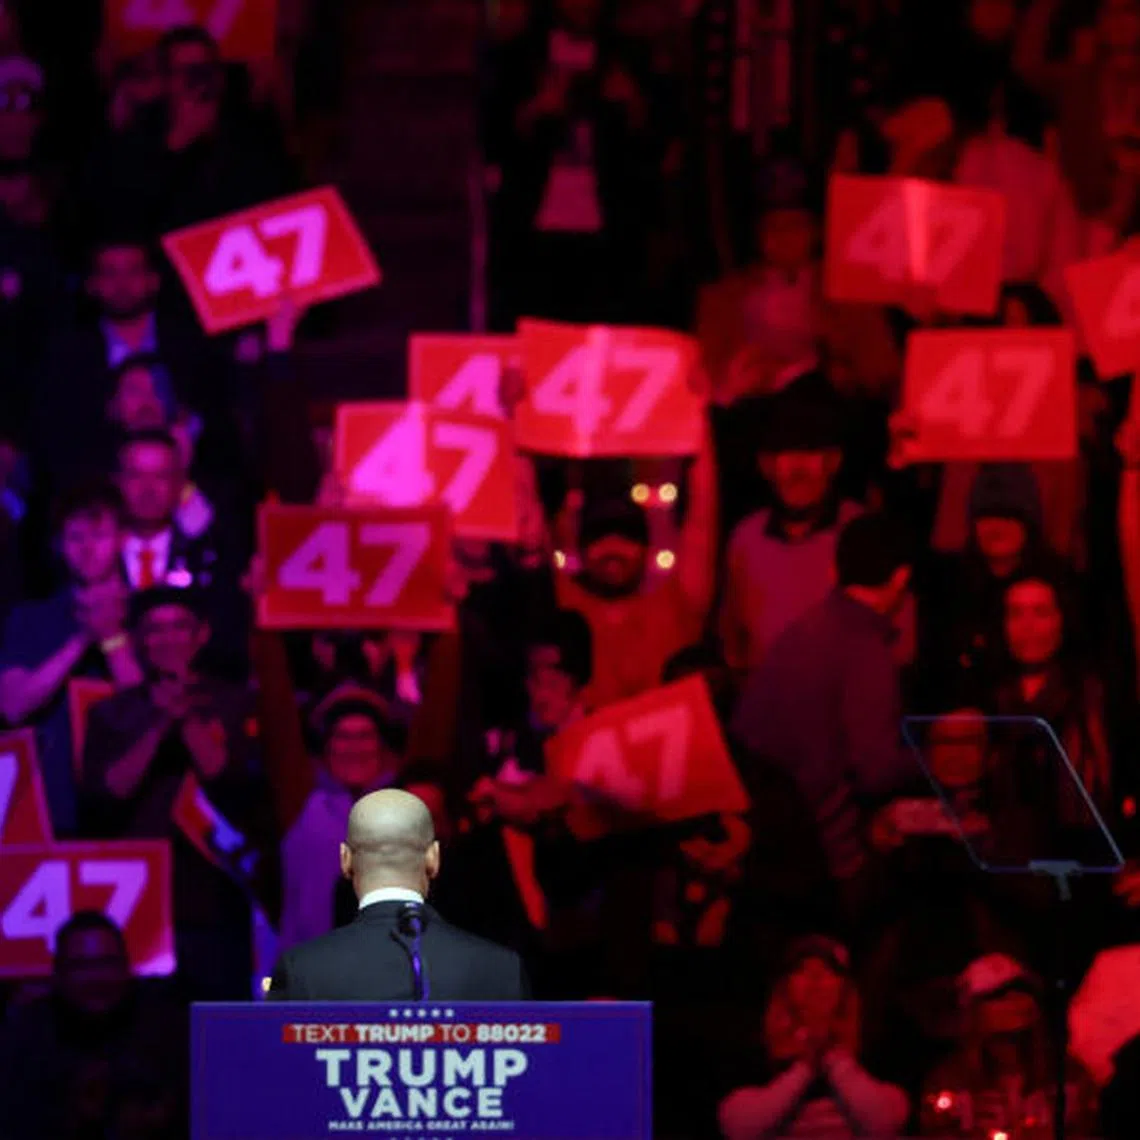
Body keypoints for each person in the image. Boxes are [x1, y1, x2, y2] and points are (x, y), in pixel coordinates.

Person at [80, 585, 274, 1000]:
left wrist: (186, 717)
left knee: (218, 1020)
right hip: (135, 895)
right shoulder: (111, 713)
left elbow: (230, 783)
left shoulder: (235, 702)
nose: (168, 639)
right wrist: (159, 723)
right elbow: (107, 794)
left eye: (179, 628)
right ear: (137, 640)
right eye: (154, 630)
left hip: (215, 892)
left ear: (201, 634)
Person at [732, 512, 917, 925]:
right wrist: (928, 758)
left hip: (761, 834)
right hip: (816, 853)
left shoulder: (806, 627)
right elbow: (875, 769)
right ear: (902, 577)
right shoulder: (865, 650)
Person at [268, 788, 529, 1001]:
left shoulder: (300, 970)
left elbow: (276, 1063)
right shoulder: (501, 969)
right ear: (433, 858)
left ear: (345, 860)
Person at [0, 482, 141, 834]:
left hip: (132, 810)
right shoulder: (30, 619)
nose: (88, 549)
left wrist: (113, 639)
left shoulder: (149, 615)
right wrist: (81, 640)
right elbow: (14, 705)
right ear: (60, 546)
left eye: (100, 536)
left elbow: (146, 708)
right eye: (76, 538)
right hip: (48, 807)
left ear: (123, 538)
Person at [0, 910, 187, 1140]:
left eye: (107, 963)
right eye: (81, 966)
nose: (96, 978)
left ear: (126, 969)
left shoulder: (164, 1030)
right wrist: (74, 1117)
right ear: (58, 974)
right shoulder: (25, 1037)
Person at [719, 392, 862, 673]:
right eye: (786, 452)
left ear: (833, 461)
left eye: (810, 452)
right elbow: (733, 644)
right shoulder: (747, 538)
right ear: (766, 466)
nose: (798, 468)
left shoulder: (861, 532)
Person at [718, 937, 909, 1140]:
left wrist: (832, 1056)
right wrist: (806, 1065)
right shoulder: (751, 1083)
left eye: (828, 970)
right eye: (801, 970)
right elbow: (740, 1129)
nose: (815, 978)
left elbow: (884, 1125)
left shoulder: (882, 1081)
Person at [921, 954, 1099, 1137]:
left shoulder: (1069, 1076)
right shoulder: (948, 1083)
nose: (1012, 1003)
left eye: (1018, 1036)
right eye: (997, 996)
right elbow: (935, 1128)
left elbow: (1089, 1125)